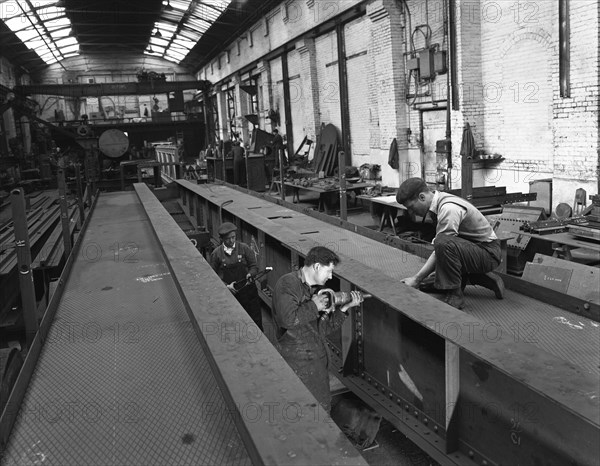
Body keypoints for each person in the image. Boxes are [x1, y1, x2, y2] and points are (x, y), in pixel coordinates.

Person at [271, 246, 363, 412]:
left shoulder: (312, 290)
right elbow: (288, 320)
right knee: (304, 413)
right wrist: (315, 305)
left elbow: (323, 329)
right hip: (297, 366)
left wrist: (345, 308)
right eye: (328, 271)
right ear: (317, 266)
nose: (330, 276)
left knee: (319, 411)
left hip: (316, 365)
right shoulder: (288, 284)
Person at [397, 177, 505, 309]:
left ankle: (455, 296)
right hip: (474, 249)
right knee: (429, 283)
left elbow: (443, 247)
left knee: (442, 243)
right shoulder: (438, 202)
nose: (411, 212)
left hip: (488, 254)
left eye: (411, 207)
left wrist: (416, 278)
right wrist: (420, 280)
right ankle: (488, 279)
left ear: (422, 197)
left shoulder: (448, 208)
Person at [210, 222, 263, 330]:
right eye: (228, 239)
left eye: (233, 237)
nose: (231, 241)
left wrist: (250, 274)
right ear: (222, 239)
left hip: (248, 292)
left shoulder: (244, 248)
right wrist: (226, 286)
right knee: (234, 323)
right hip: (231, 294)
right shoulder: (216, 254)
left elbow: (254, 266)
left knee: (255, 321)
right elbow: (212, 276)